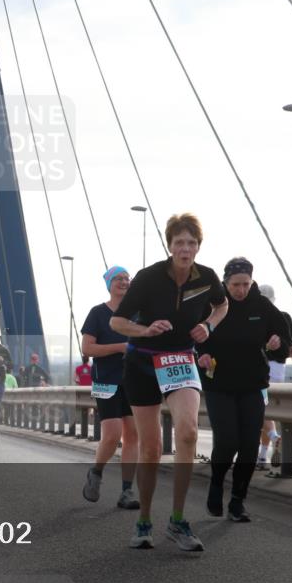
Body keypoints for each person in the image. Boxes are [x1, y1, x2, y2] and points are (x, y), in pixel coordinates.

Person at [110, 213, 228, 552]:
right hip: (143, 363)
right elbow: (118, 321)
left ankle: (177, 521)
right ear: (170, 245)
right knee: (150, 449)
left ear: (198, 246)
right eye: (180, 243)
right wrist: (144, 330)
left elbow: (221, 307)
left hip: (180, 360)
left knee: (188, 432)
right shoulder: (148, 278)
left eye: (192, 243)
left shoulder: (206, 277)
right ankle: (144, 519)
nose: (186, 249)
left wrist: (208, 326)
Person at [197, 258, 290, 522]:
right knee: (227, 442)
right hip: (219, 385)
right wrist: (201, 355)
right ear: (225, 283)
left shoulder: (262, 305)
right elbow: (195, 338)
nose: (241, 290)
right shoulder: (214, 305)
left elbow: (286, 344)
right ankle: (216, 483)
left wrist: (277, 343)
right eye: (236, 284)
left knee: (249, 446)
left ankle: (237, 501)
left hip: (252, 385)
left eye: (246, 284)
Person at [81, 266, 139, 510]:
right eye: (118, 279)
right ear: (108, 284)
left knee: (133, 435)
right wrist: (118, 347)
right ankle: (97, 471)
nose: (124, 282)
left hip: (135, 380)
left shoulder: (138, 314)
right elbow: (88, 349)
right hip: (106, 380)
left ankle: (127, 491)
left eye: (127, 278)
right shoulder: (97, 313)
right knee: (113, 434)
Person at [256, 285, 292, 469]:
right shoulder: (283, 316)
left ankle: (273, 437)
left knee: (260, 410)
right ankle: (262, 456)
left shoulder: (255, 315)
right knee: (268, 410)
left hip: (262, 366)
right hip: (279, 370)